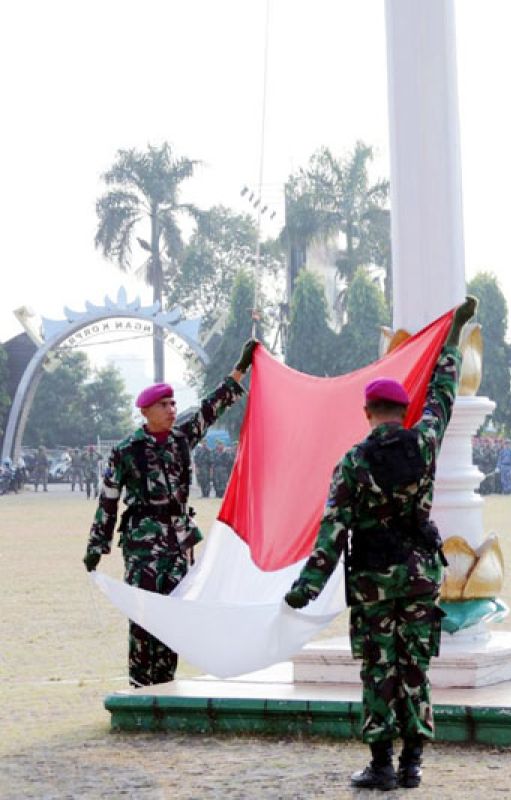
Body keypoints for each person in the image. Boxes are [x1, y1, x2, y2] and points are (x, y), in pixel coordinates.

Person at [283, 297, 476, 792]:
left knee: (378, 669)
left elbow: (333, 531)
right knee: (415, 665)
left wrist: (304, 589)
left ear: (368, 411)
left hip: (372, 582)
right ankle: (413, 764)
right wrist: (451, 339)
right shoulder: (424, 442)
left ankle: (382, 766)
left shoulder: (352, 463)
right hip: (418, 576)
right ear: (403, 410)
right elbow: (444, 396)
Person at [83, 339, 257, 688]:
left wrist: (241, 368)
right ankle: (140, 683)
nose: (172, 409)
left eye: (174, 403)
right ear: (146, 411)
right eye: (164, 404)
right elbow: (109, 499)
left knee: (174, 612)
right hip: (143, 545)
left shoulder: (181, 439)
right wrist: (97, 544)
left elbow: (211, 409)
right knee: (144, 613)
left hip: (177, 542)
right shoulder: (127, 451)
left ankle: (165, 682)